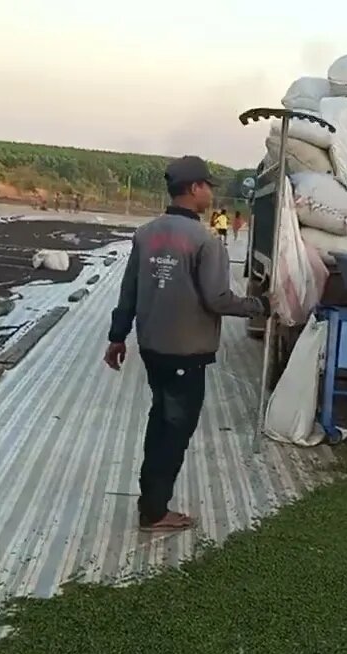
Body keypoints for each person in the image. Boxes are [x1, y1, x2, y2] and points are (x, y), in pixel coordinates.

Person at [104, 156, 269, 531]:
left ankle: (151, 501)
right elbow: (218, 299)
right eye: (208, 186)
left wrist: (117, 336)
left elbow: (128, 290)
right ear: (195, 188)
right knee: (174, 431)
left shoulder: (145, 233)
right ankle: (155, 511)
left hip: (152, 348)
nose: (211, 193)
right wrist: (261, 305)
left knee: (159, 420)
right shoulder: (205, 241)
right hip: (186, 352)